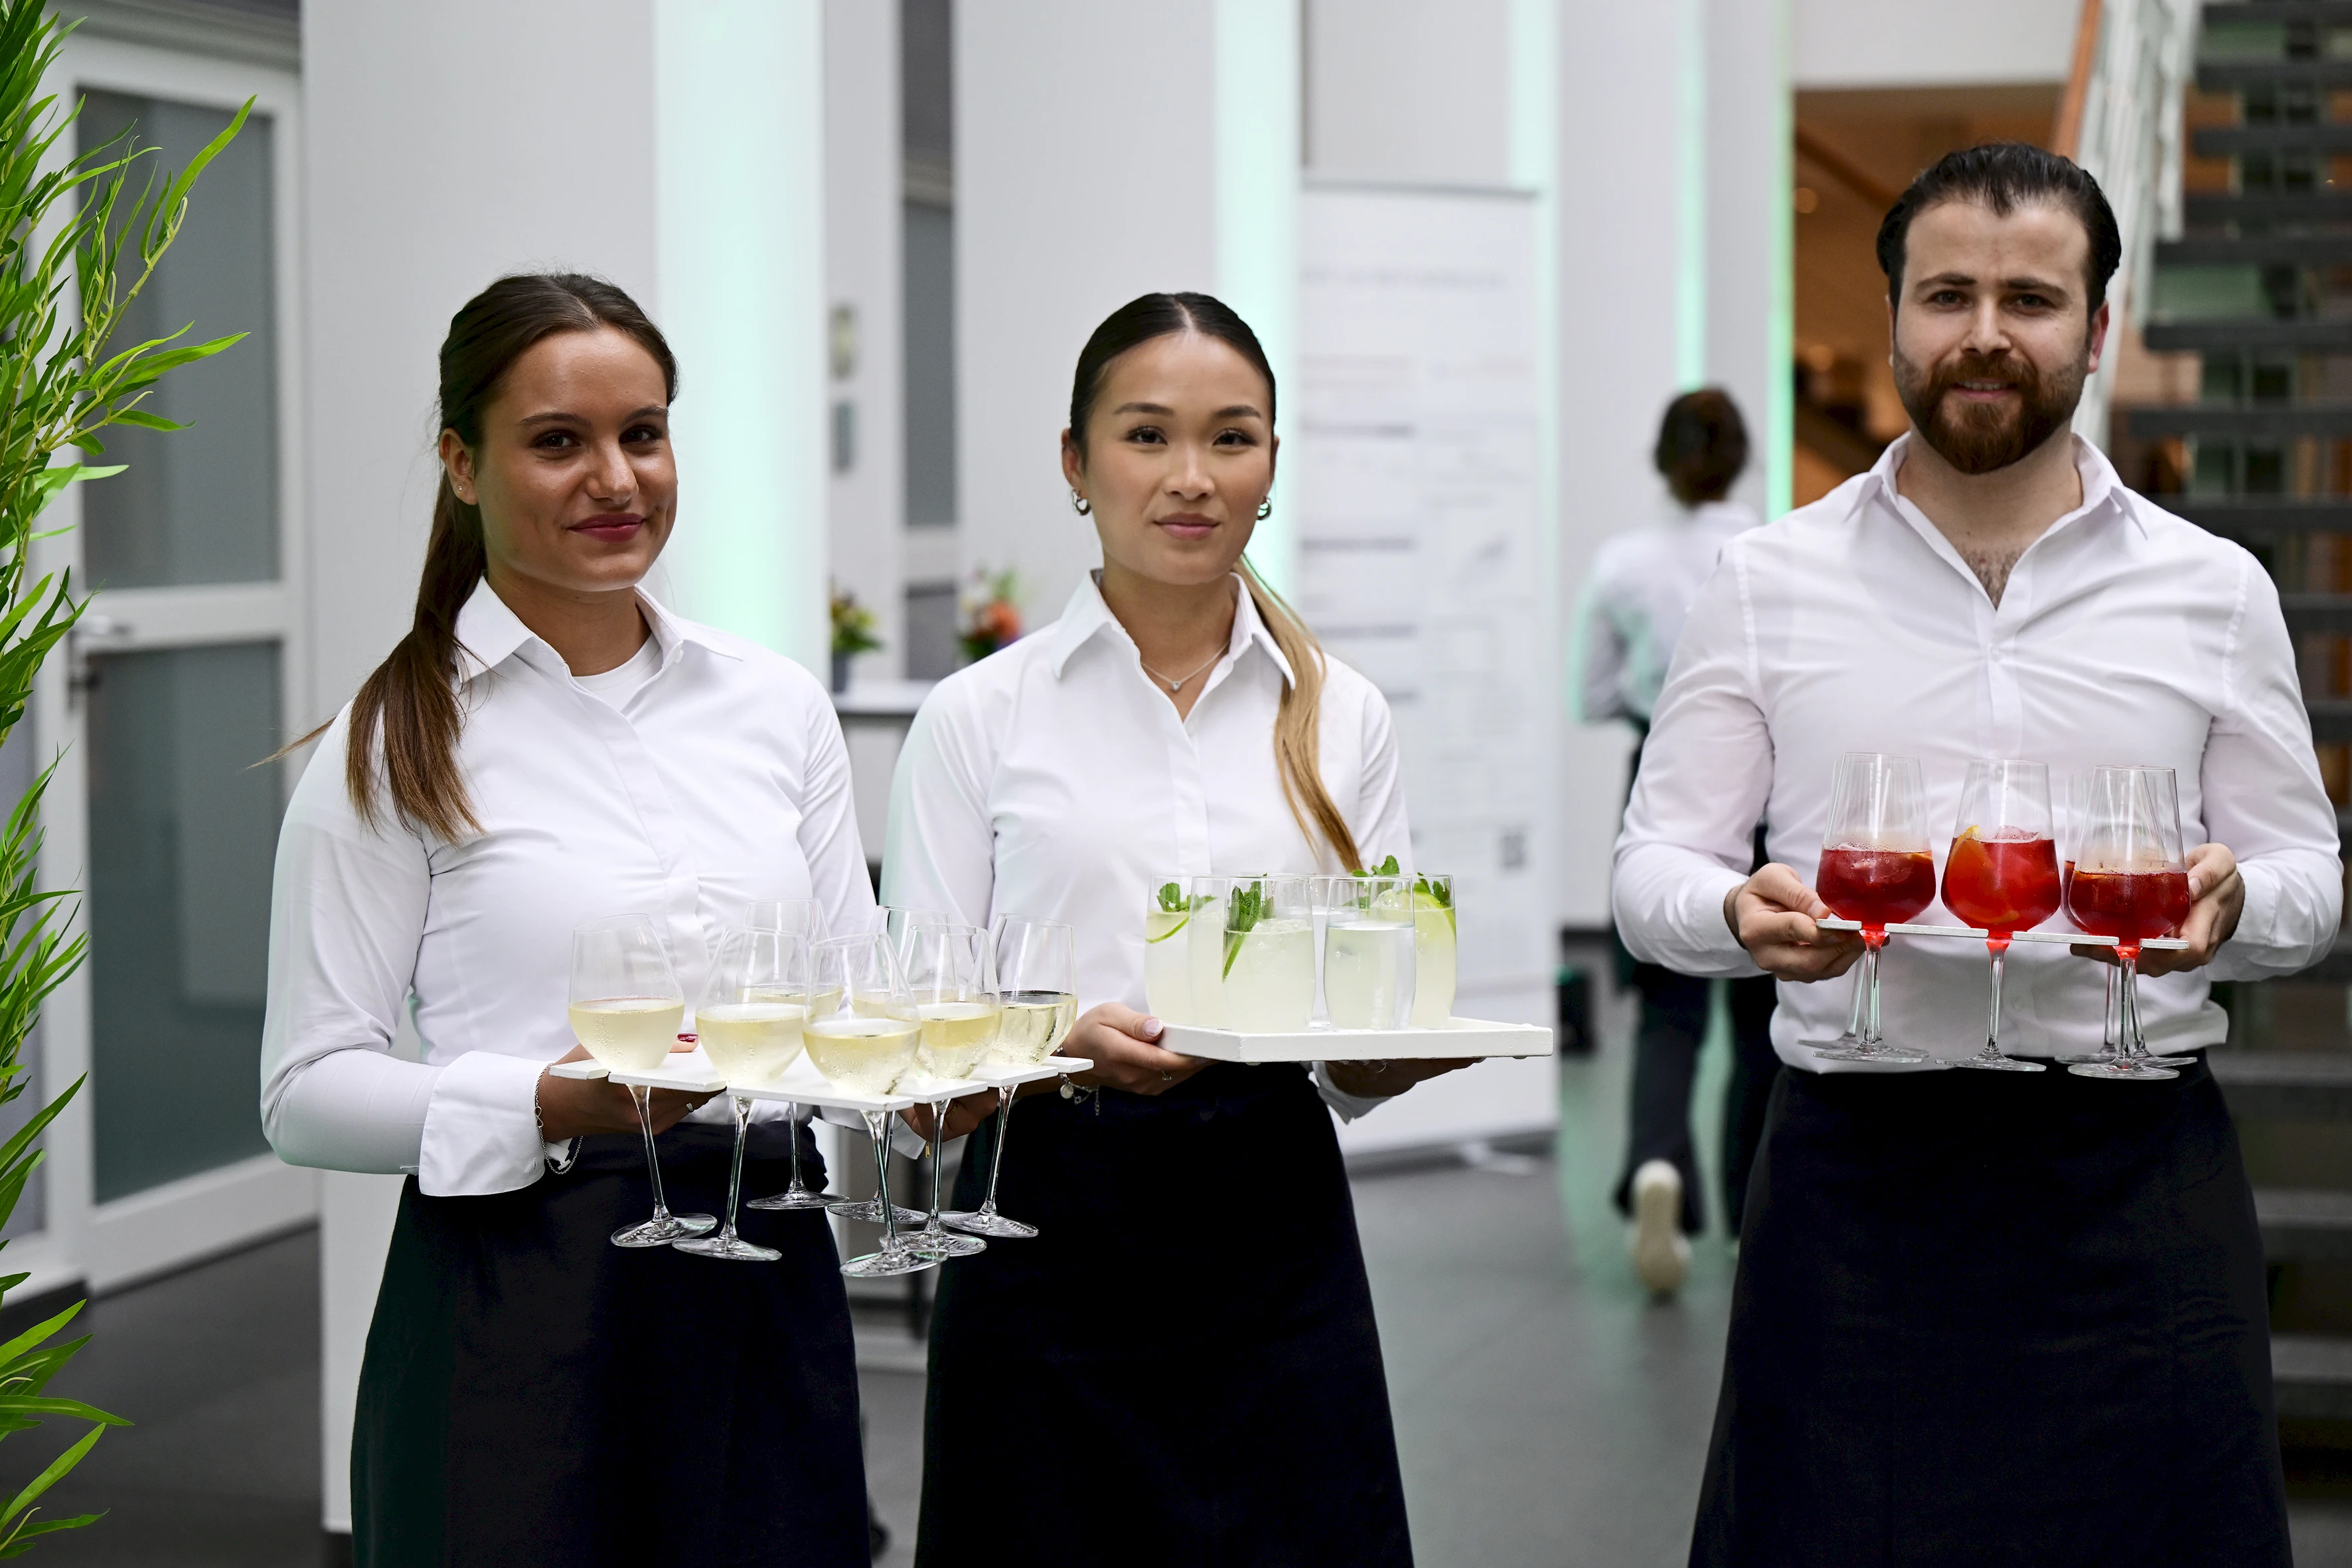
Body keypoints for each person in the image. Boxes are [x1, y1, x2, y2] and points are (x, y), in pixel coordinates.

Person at [1614, 144, 2337, 1566]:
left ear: (2096, 327)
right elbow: (1652, 868)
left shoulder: (2214, 591)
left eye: (2031, 298)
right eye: (1947, 295)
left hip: (2134, 1180)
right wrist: (1732, 912)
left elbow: (2307, 881)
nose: (1986, 333)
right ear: (1894, 316)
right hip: (1855, 1182)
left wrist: (2242, 898)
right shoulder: (1766, 581)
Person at [259, 274, 876, 1566]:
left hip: (765, 1277)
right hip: (522, 1294)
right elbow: (304, 1092)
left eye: (642, 433)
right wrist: (546, 1099)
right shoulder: (396, 737)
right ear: (461, 464)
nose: (616, 477)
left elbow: (857, 1006)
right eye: (558, 441)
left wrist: (951, 1079)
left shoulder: (774, 706)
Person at [885, 292, 1468, 1567]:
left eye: (1231, 438)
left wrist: (1403, 1045)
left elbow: (1357, 1048)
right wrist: (1050, 1045)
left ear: (1271, 465)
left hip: (1274, 1229)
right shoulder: (980, 717)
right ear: (1075, 461)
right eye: (1147, 435)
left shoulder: (1343, 716)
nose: (1191, 476)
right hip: (1042, 1226)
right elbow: (912, 1065)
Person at [1577, 388, 1778, 1294]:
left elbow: (1590, 695)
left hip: (1660, 778)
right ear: (1742, 458)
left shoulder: (1623, 564)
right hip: (1767, 789)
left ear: (1661, 462)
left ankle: (1658, 1162)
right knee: (1760, 1017)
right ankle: (1747, 1215)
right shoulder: (1780, 553)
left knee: (1666, 1010)